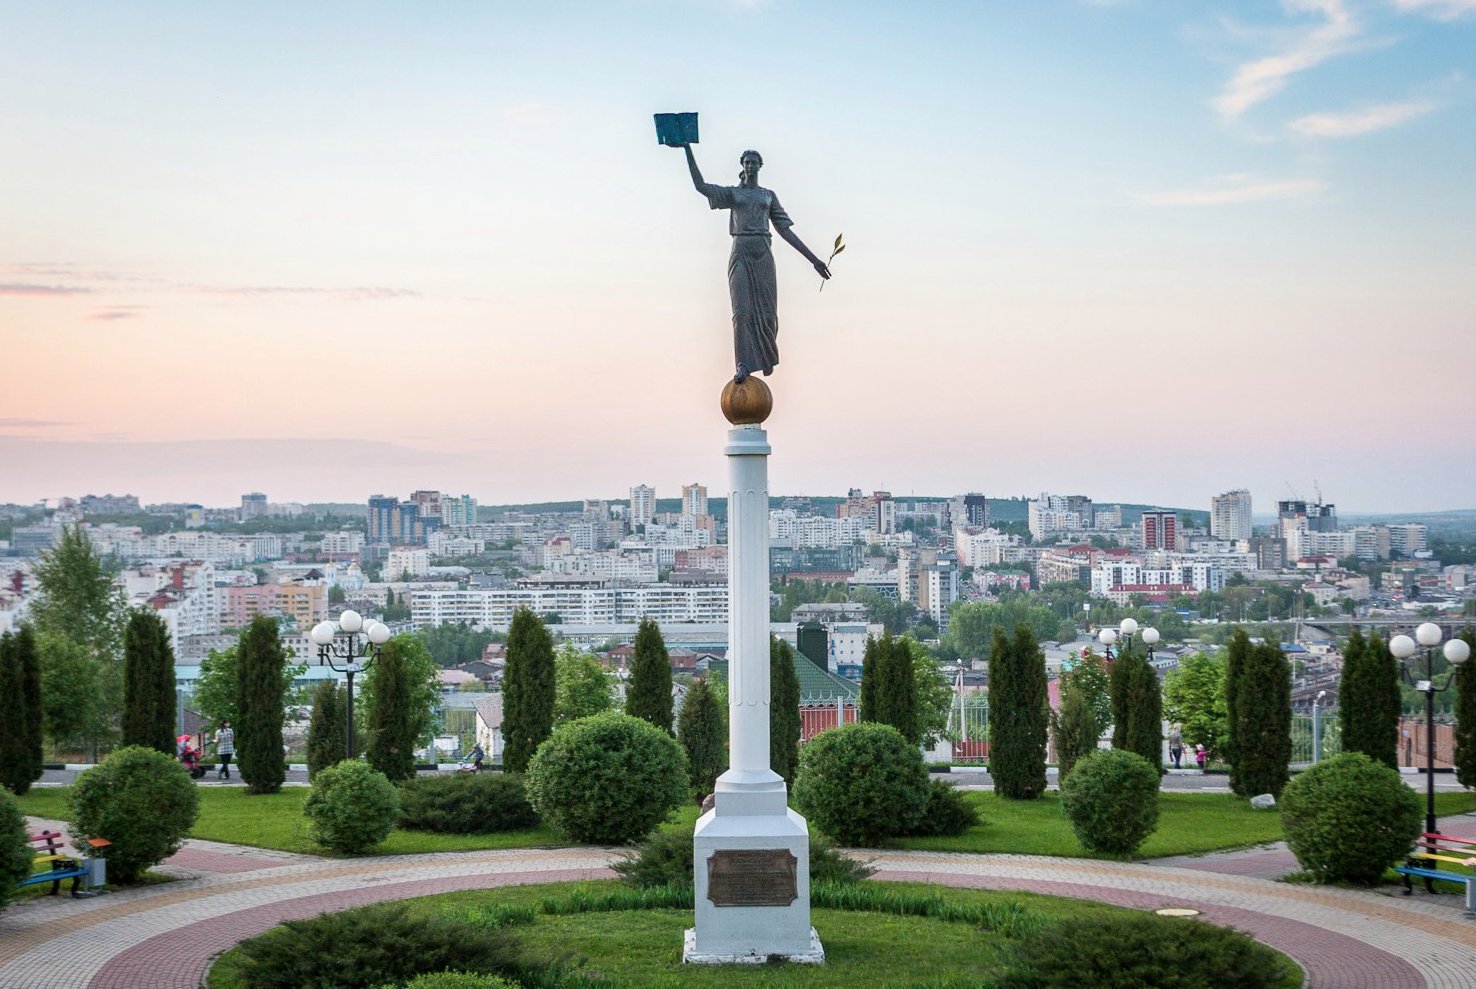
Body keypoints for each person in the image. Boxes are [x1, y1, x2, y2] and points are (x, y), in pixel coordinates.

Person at [678, 144, 830, 382]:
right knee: (741, 311)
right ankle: (743, 364)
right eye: (746, 162)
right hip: (741, 251)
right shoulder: (734, 194)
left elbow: (785, 231)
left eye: (753, 162)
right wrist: (687, 148)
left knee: (768, 312)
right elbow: (701, 187)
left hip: (763, 253)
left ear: (760, 166)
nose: (749, 165)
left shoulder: (767, 196)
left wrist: (814, 260)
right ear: (742, 166)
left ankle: (766, 356)